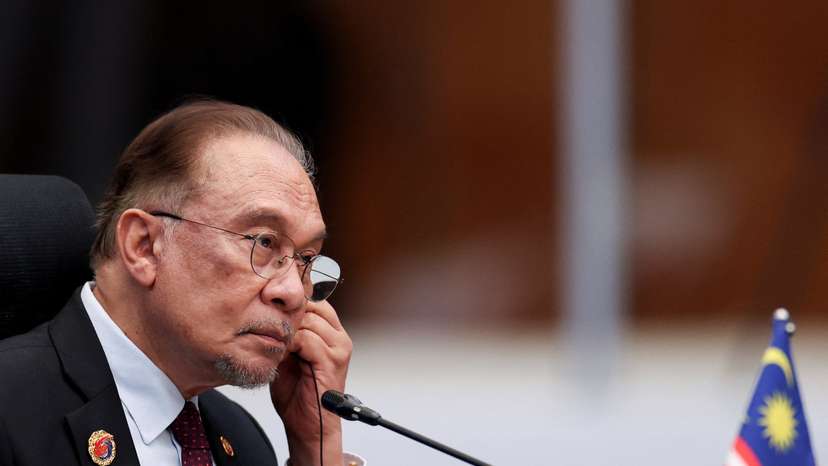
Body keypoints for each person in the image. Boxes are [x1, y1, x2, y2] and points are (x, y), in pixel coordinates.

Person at [0, 100, 360, 466]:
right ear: (144, 246)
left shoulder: (241, 439)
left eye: (307, 259)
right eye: (264, 242)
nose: (294, 293)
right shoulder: (9, 410)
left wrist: (317, 448)